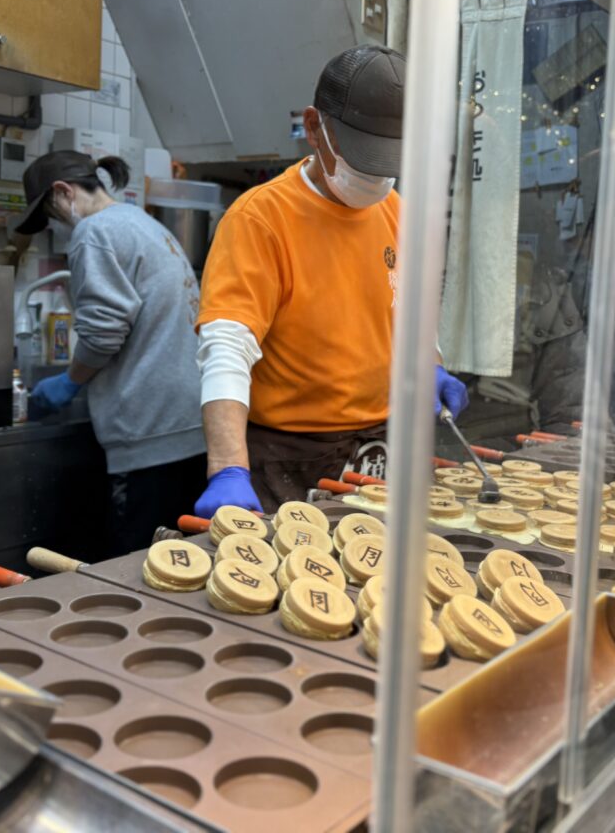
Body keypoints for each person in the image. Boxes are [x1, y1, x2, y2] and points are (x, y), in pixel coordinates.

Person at [192, 45, 468, 517]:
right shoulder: (261, 218)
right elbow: (227, 347)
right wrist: (227, 469)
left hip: (383, 449)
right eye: (364, 159)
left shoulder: (398, 213)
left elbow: (410, 309)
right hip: (289, 458)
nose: (376, 177)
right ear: (315, 127)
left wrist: (430, 364)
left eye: (389, 162)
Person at [18, 151, 206, 554]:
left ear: (63, 192)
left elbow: (103, 332)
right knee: (180, 562)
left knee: (136, 566)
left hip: (148, 429)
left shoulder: (94, 232)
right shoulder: (142, 223)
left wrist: (71, 380)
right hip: (188, 423)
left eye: (50, 212)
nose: (55, 224)